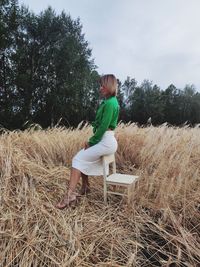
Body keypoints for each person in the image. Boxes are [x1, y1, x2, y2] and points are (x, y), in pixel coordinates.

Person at [56, 74, 119, 209]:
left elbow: (103, 126)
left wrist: (92, 141)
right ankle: (85, 187)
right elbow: (101, 125)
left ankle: (70, 195)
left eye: (102, 85)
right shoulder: (109, 102)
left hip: (105, 140)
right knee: (81, 157)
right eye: (100, 85)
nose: (100, 88)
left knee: (77, 160)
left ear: (109, 86)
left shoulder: (110, 103)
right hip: (106, 140)